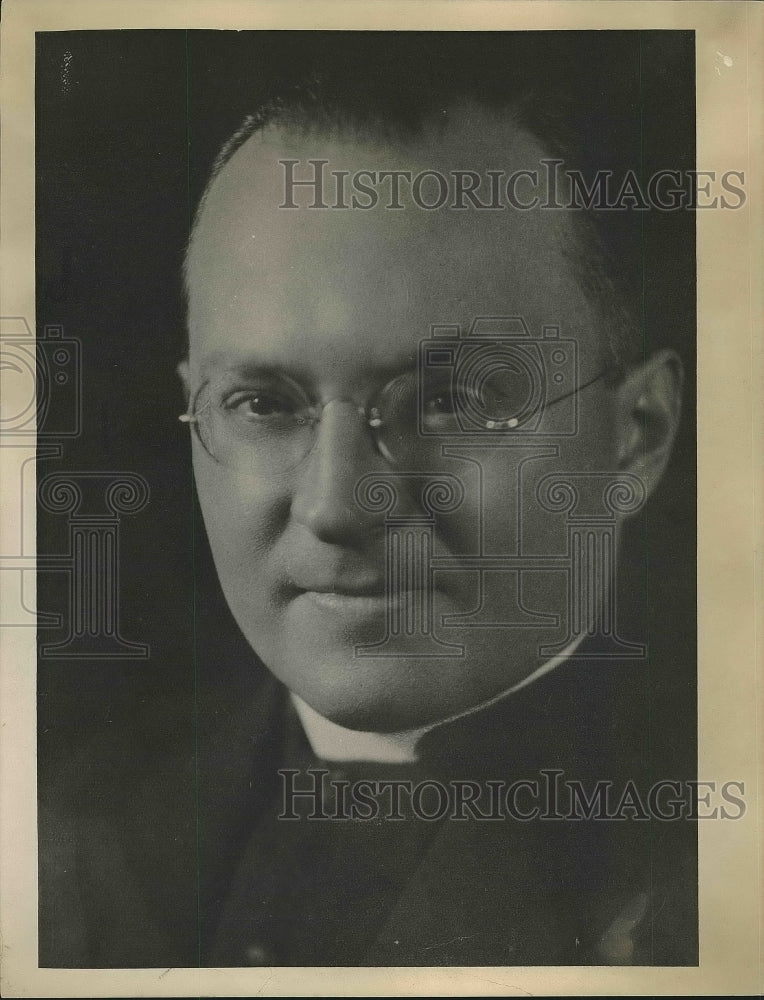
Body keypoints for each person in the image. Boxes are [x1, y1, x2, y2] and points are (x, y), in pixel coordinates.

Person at [39, 33, 697, 967]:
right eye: (264, 404)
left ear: (638, 434)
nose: (338, 504)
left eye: (451, 400)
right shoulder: (69, 838)